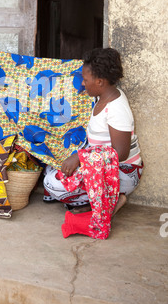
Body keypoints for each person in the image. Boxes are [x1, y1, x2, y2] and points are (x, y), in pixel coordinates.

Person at [43, 47, 143, 215]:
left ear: (100, 82)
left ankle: (112, 198)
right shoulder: (103, 96)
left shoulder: (117, 109)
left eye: (85, 79)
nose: (82, 83)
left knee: (52, 184)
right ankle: (105, 198)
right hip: (101, 164)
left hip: (123, 172)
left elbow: (121, 153)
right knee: (50, 165)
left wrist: (80, 158)